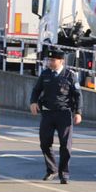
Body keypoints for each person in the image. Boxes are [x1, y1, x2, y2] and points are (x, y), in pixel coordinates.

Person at [29, 48, 83, 184]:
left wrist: (78, 112)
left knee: (66, 146)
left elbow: (78, 95)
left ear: (61, 61)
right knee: (45, 143)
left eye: (53, 60)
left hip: (64, 114)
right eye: (49, 60)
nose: (50, 63)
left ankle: (64, 174)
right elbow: (36, 90)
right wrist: (33, 102)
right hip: (47, 113)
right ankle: (51, 169)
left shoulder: (70, 75)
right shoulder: (45, 74)